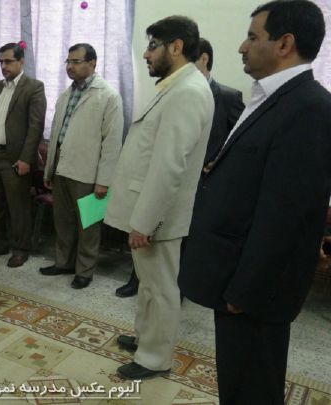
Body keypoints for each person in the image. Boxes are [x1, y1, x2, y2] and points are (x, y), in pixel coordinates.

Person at [178, 1, 331, 403]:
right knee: (238, 383)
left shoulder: (310, 108)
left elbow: (288, 214)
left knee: (253, 388)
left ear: (284, 44)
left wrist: (247, 291)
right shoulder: (271, 98)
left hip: (255, 291)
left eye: (252, 37)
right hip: (237, 275)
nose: (242, 47)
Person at [103, 16, 213, 379]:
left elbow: (169, 167)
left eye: (152, 46)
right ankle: (145, 339)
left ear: (176, 47)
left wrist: (145, 222)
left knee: (162, 288)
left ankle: (155, 358)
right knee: (150, 285)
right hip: (148, 210)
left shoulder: (188, 92)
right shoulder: (176, 86)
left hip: (158, 216)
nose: (146, 54)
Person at [39, 43, 123, 289]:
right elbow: (56, 135)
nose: (70, 66)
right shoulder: (66, 94)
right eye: (68, 61)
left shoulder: (108, 96)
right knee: (63, 222)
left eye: (76, 61)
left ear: (92, 63)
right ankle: (63, 262)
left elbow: (112, 144)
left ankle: (84, 271)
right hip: (61, 168)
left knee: (89, 225)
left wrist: (103, 181)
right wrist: (49, 168)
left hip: (88, 174)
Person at [0, 42, 46, 268]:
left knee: (18, 207)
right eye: (1, 61)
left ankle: (21, 248)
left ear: (21, 61)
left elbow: (36, 127)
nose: (4, 66)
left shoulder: (34, 87)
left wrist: (26, 158)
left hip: (16, 158)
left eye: (9, 61)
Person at [195, 37, 245, 163]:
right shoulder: (175, 97)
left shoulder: (229, 99)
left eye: (187, 62)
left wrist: (221, 162)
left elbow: (246, 141)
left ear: (204, 59)